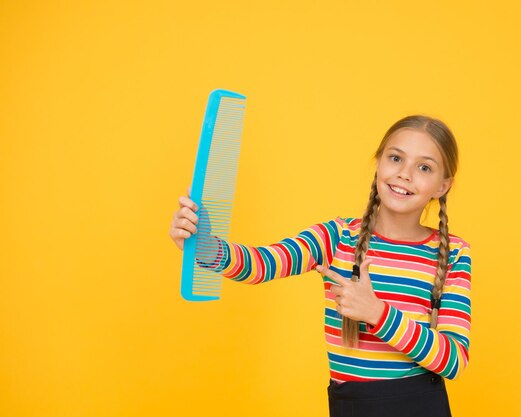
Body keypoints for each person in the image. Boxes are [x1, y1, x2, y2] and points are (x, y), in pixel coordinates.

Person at [169, 115, 472, 417]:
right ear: (379, 163)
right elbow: (261, 264)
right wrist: (205, 245)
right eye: (395, 158)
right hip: (352, 406)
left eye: (424, 167)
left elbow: (453, 360)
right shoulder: (336, 237)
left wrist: (377, 313)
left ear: (442, 185)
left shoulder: (453, 253)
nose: (404, 174)